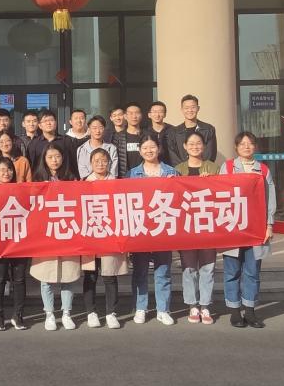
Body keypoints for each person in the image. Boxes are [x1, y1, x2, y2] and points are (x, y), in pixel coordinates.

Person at [220, 131, 275, 329]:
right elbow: (219, 193)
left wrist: (269, 225)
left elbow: (270, 198)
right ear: (236, 147)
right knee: (232, 271)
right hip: (233, 227)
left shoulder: (263, 169)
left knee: (252, 271)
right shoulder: (227, 167)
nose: (246, 147)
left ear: (255, 147)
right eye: (242, 144)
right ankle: (235, 312)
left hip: (256, 227)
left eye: (250, 143)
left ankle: (250, 311)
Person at [29, 143, 81, 331]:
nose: (54, 160)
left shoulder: (71, 178)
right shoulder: (37, 179)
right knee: (47, 277)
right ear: (44, 159)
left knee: (68, 276)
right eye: (50, 157)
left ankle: (66, 313)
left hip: (67, 232)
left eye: (57, 156)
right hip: (46, 234)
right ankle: (49, 314)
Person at [127, 138, 178, 326]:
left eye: (152, 147)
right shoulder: (132, 174)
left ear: (159, 149)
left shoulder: (171, 172)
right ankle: (141, 307)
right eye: (145, 148)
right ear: (140, 151)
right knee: (139, 270)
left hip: (163, 228)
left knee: (163, 271)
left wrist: (175, 184)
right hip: (140, 228)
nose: (149, 151)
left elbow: (180, 199)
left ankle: (163, 309)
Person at [175, 131, 220, 325]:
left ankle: (205, 305)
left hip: (208, 225)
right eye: (191, 143)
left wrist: (211, 182)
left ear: (204, 146)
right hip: (186, 226)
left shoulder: (214, 167)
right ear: (185, 146)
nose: (195, 146)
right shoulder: (177, 169)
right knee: (189, 268)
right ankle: (192, 304)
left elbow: (222, 194)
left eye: (198, 143)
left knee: (208, 267)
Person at [81, 148, 126, 329]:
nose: (100, 164)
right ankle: (91, 312)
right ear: (90, 164)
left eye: (104, 160)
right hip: (91, 235)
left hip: (110, 235)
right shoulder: (84, 183)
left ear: (109, 163)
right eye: (96, 161)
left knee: (110, 275)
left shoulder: (117, 183)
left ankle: (111, 312)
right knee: (90, 275)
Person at [0, 157, 29, 331]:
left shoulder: (22, 190)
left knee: (19, 279)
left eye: (9, 169)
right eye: (2, 170)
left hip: (19, 240)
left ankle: (18, 316)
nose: (6, 173)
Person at [168, 94, 218, 163]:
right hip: (181, 169)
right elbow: (173, 157)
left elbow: (210, 154)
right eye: (186, 108)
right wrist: (182, 168)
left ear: (198, 108)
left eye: (193, 107)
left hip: (204, 169)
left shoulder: (209, 129)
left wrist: (202, 167)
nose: (190, 110)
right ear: (182, 110)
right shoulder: (174, 132)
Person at [114, 102, 147, 178]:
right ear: (125, 116)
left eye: (137, 113)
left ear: (141, 115)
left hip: (145, 176)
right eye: (131, 113)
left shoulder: (148, 136)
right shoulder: (118, 137)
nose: (134, 116)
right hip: (125, 177)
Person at [145, 101, 175, 166]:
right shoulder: (145, 132)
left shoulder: (173, 130)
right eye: (154, 112)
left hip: (170, 167)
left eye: (160, 112)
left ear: (165, 114)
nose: (157, 115)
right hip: (151, 166)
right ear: (149, 115)